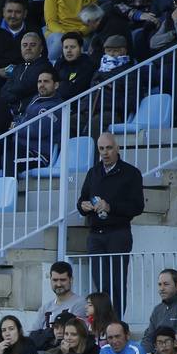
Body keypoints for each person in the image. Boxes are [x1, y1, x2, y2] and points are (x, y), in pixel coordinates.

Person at [76, 133, 143, 312]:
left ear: (117, 148)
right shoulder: (93, 172)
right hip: (95, 235)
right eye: (101, 149)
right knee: (101, 285)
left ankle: (117, 324)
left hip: (118, 234)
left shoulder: (131, 173)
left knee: (116, 283)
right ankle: (103, 326)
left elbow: (137, 207)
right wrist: (83, 206)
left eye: (109, 148)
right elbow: (82, 200)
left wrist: (110, 207)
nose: (105, 152)